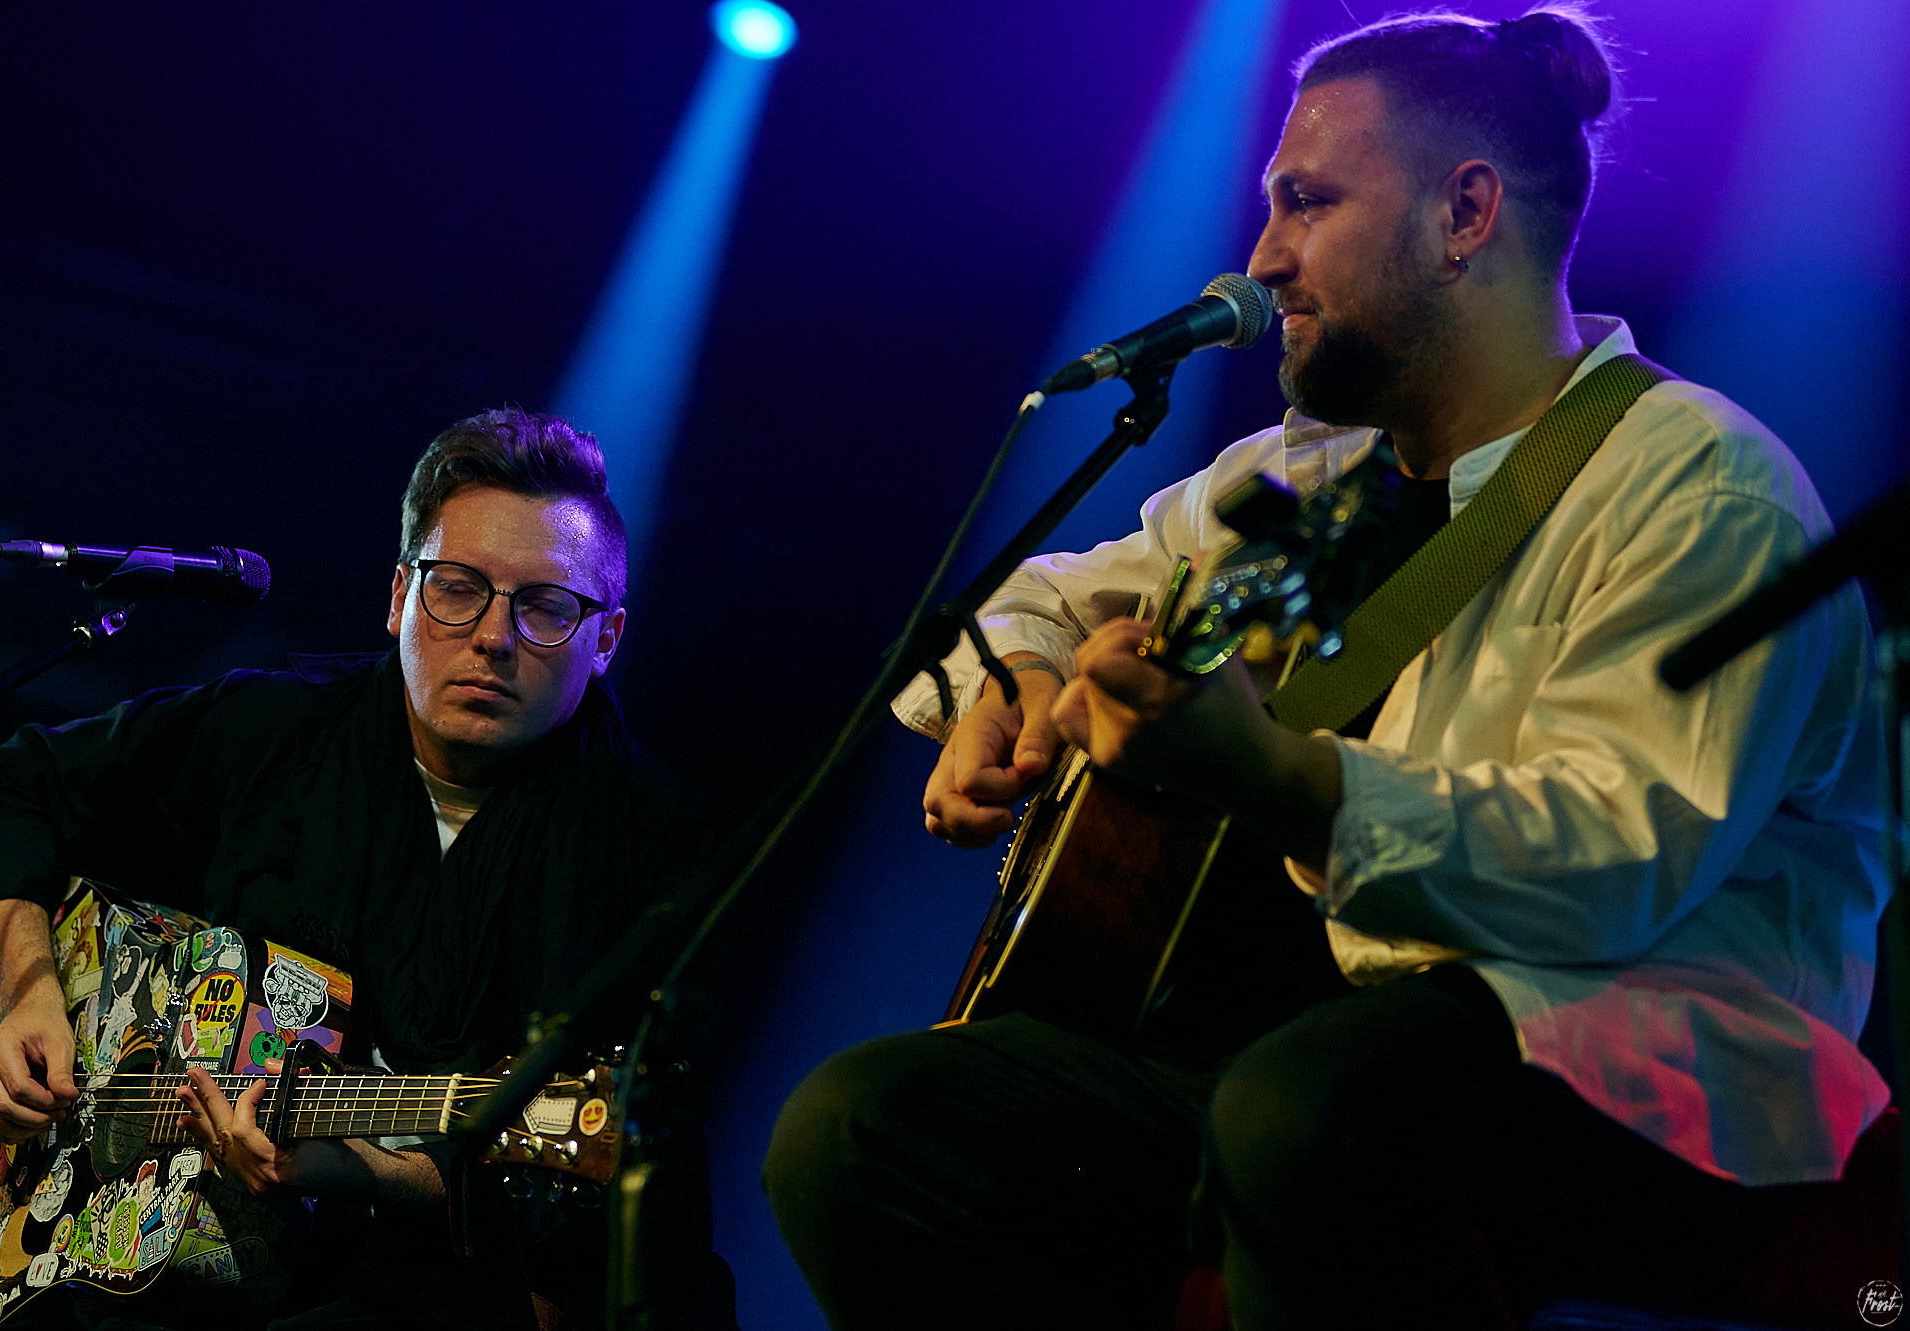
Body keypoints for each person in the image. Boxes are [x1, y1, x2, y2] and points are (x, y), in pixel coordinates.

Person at [764, 9, 1889, 1329]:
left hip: (1624, 1051)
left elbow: (1614, 866)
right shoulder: (1302, 474)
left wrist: (1286, 778)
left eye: (1306, 202)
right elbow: (1033, 599)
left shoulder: (1697, 480)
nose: (1263, 258)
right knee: (857, 1127)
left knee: (1304, 1111)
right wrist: (1013, 679)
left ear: (1465, 212)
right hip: (1286, 1056)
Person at [0, 409, 735, 1328]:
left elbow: (609, 1194)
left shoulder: (657, 855)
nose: (493, 636)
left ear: (605, 639)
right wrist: (31, 991)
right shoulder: (279, 730)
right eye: (457, 589)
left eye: (546, 607)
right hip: (210, 1254)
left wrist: (370, 1171)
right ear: (399, 597)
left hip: (453, 1286)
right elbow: (12, 782)